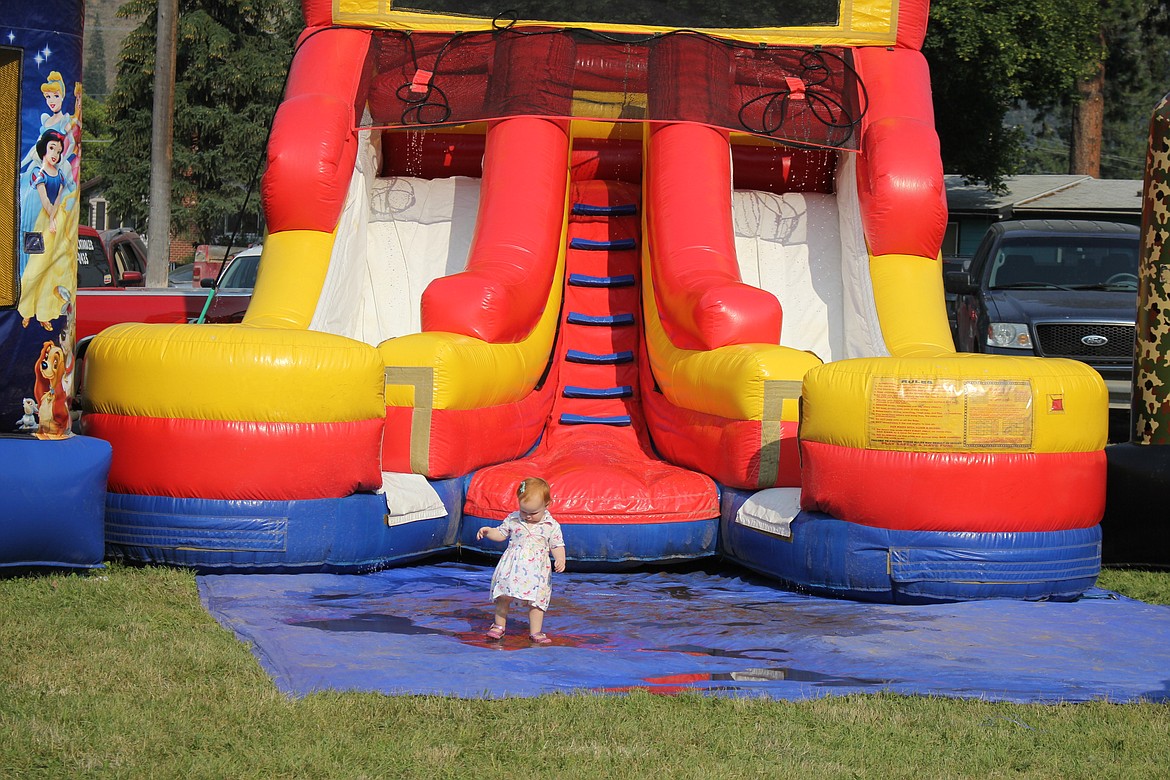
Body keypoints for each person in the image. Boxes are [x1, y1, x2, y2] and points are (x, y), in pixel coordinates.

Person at [476, 477, 566, 644]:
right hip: (512, 568)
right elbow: (501, 534)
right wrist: (489, 532)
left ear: (547, 505)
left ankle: (536, 632)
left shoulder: (551, 525)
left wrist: (560, 559)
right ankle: (498, 625)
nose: (528, 517)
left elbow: (557, 545)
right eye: (524, 511)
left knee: (537, 603)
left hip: (537, 572)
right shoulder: (514, 519)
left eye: (533, 513)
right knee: (503, 596)